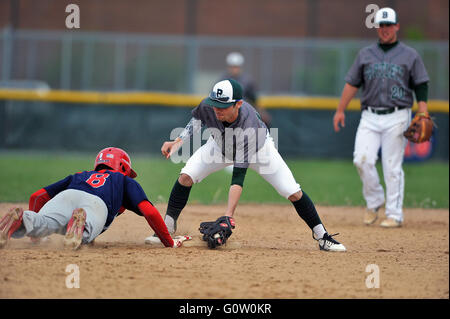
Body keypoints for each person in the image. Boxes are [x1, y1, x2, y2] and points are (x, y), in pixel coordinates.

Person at [146, 78, 346, 252]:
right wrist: (177, 142)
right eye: (215, 104)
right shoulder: (210, 106)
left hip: (260, 151)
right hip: (219, 146)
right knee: (186, 176)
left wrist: (228, 216)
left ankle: (323, 237)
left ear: (238, 104)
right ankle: (167, 229)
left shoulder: (248, 126)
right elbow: (197, 121)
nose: (217, 110)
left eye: (223, 107)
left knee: (292, 191)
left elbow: (238, 178)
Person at [333, 7, 430, 228]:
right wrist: (340, 110)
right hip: (370, 115)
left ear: (396, 26)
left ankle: (394, 214)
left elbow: (421, 85)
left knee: (392, 166)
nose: (385, 29)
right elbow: (352, 84)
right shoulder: (366, 54)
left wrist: (422, 111)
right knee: (361, 159)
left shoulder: (410, 55)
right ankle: (375, 200)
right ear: (377, 28)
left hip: (397, 115)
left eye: (389, 25)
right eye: (381, 25)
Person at [0, 147, 190, 249]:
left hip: (68, 195)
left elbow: (38, 196)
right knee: (86, 233)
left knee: (43, 222)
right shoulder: (122, 179)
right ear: (123, 167)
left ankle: (23, 219)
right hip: (96, 203)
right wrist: (169, 241)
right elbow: (149, 211)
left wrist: (36, 235)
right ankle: (81, 226)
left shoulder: (80, 175)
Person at [220, 52, 271, 127]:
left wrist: (261, 111)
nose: (235, 69)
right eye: (233, 67)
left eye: (236, 67)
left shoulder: (247, 80)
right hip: (227, 111)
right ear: (229, 67)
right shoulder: (222, 81)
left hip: (244, 111)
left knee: (264, 120)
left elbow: (254, 99)